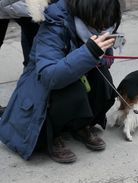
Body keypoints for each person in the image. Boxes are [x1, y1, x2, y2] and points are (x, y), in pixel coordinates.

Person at [0, 0, 122, 164]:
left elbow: (103, 58)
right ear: (87, 13)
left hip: (72, 72)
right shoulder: (55, 22)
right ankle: (52, 135)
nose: (103, 28)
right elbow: (50, 76)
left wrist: (102, 55)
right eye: (100, 23)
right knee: (72, 91)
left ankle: (80, 125)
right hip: (43, 86)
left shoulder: (97, 25)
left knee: (103, 80)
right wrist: (90, 52)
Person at [0, 0, 40, 66]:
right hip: (26, 8)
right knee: (33, 43)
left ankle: (30, 69)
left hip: (26, 9)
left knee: (33, 43)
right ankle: (30, 69)